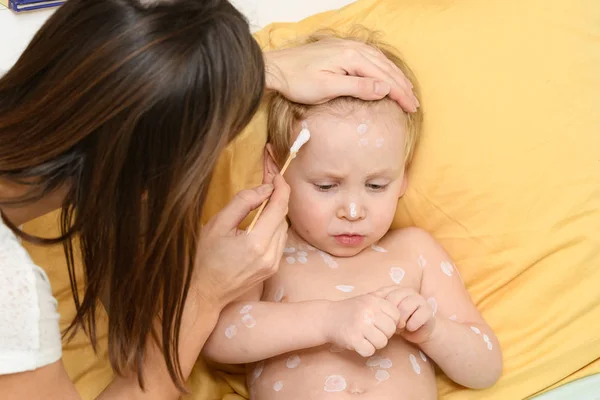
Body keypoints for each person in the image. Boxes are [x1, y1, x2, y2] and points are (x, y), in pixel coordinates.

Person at [0, 0, 420, 399]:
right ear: (146, 179)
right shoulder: (11, 288)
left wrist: (254, 70)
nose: (351, 208)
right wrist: (205, 293)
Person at [202, 30, 502, 399]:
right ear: (275, 167)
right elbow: (218, 338)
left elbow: (486, 368)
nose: (354, 211)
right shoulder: (266, 249)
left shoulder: (415, 252)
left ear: (403, 176)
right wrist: (328, 320)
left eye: (376, 186)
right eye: (327, 186)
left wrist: (432, 330)